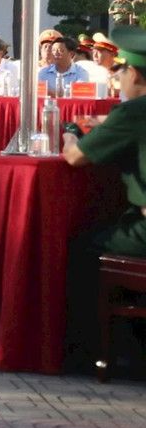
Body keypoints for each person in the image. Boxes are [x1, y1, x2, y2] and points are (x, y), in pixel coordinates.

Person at [63, 25, 146, 366]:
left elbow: (75, 158)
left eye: (122, 69)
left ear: (136, 73)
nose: (119, 77)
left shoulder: (134, 112)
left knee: (83, 248)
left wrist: (70, 134)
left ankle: (94, 352)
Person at [38, 33, 91, 97]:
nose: (55, 53)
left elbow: (78, 95)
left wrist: (51, 93)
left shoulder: (81, 73)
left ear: (71, 54)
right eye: (53, 50)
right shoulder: (43, 73)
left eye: (60, 50)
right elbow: (38, 92)